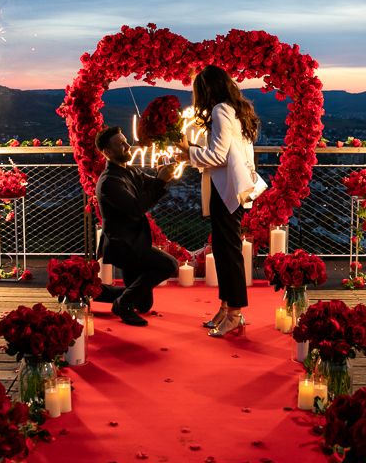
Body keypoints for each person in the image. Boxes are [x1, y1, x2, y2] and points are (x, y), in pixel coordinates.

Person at [177, 66, 260, 338]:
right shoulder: (236, 109)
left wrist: (186, 149)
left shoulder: (220, 110)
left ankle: (234, 313)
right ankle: (226, 307)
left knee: (229, 253)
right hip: (232, 189)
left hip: (228, 192)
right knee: (224, 251)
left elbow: (217, 156)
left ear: (207, 89)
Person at [95, 125, 179, 326]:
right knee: (170, 265)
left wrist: (162, 174)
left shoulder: (128, 170)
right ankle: (122, 304)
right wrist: (160, 182)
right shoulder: (109, 181)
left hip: (133, 241)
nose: (127, 146)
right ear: (107, 152)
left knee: (143, 304)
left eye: (125, 141)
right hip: (123, 246)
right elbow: (136, 208)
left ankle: (95, 291)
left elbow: (151, 184)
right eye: (120, 144)